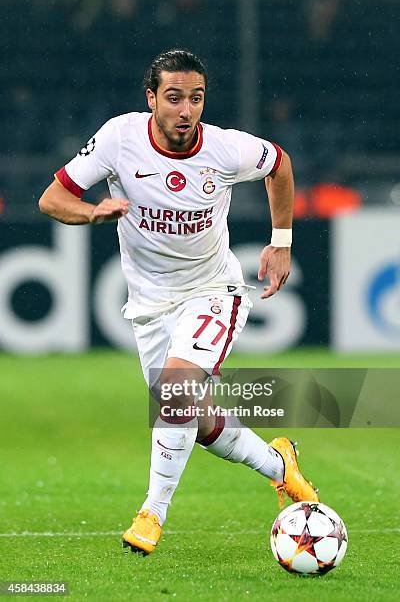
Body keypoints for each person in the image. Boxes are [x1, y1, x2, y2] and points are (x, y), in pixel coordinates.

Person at [39, 49, 319, 556]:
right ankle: (280, 465)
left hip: (214, 290)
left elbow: (279, 163)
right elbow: (51, 199)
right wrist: (93, 212)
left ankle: (152, 513)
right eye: (174, 98)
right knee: (195, 416)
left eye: (196, 99)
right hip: (150, 304)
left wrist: (282, 240)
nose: (186, 110)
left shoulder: (226, 148)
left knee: (176, 389)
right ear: (152, 100)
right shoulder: (118, 139)